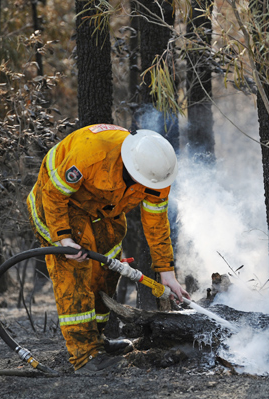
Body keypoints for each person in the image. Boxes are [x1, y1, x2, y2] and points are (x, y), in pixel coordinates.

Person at [27, 124, 190, 374]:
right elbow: (53, 195)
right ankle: (84, 356)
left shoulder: (158, 172)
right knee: (75, 274)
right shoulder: (92, 154)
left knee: (107, 271)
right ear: (132, 166)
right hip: (59, 207)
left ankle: (97, 341)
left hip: (102, 211)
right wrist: (63, 239)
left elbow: (156, 223)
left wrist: (167, 272)